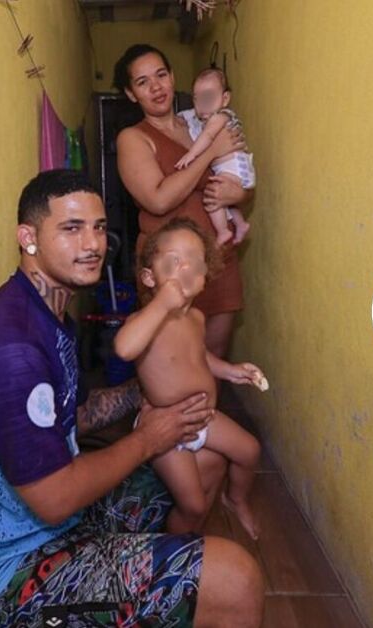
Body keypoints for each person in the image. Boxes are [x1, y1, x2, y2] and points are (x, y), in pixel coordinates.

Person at [0, 169, 263, 627]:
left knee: (207, 461)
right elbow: (56, 498)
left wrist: (149, 392)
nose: (92, 244)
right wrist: (150, 437)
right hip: (8, 572)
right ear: (27, 237)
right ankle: (174, 592)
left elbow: (75, 416)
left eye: (99, 227)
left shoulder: (46, 311)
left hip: (52, 525)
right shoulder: (13, 350)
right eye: (71, 228)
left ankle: (164, 598)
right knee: (238, 579)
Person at [115, 218, 266, 539]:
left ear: (204, 276)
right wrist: (162, 304)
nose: (184, 269)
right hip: (168, 430)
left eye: (193, 262)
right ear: (148, 277)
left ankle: (235, 499)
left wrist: (230, 370)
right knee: (193, 506)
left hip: (205, 418)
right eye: (173, 261)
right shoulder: (144, 321)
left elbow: (199, 356)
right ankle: (173, 556)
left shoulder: (196, 317)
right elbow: (125, 349)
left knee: (249, 450)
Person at [114, 43, 250, 360]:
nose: (156, 87)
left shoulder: (199, 122)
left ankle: (207, 411)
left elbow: (237, 175)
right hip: (168, 268)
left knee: (215, 356)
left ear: (174, 77)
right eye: (143, 82)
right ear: (132, 94)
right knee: (172, 361)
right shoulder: (133, 138)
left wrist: (239, 195)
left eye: (161, 75)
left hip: (219, 259)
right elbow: (158, 200)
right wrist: (210, 153)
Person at [174, 67, 256, 246]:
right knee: (226, 198)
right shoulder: (195, 119)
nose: (202, 104)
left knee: (213, 198)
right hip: (232, 168)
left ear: (225, 99)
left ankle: (223, 231)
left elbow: (208, 137)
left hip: (235, 167)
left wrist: (191, 154)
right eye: (197, 98)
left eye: (208, 98)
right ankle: (240, 224)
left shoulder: (221, 117)